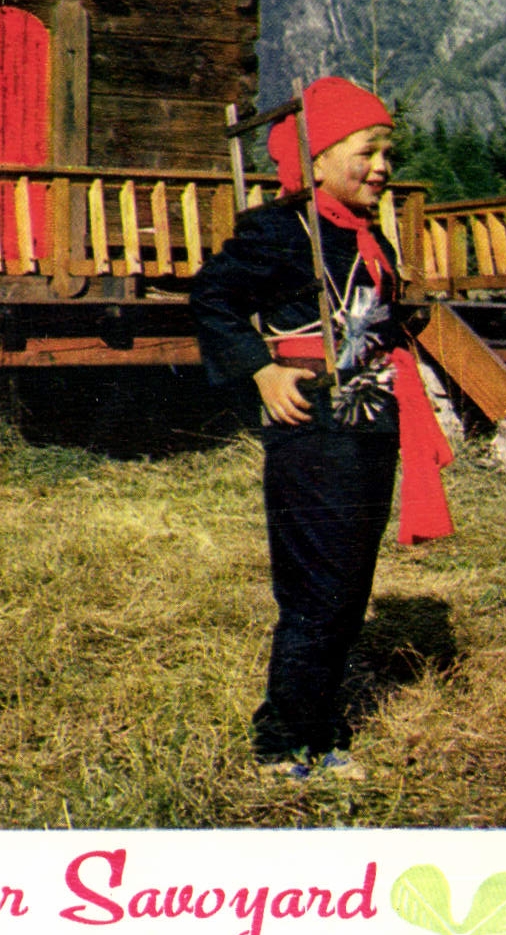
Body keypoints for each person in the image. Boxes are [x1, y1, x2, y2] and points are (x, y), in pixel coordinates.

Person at [189, 76, 453, 781]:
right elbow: (212, 298)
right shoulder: (279, 231)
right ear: (319, 157)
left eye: (387, 153)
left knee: (349, 586)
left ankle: (322, 730)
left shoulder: (366, 235)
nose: (382, 167)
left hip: (370, 422)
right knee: (316, 589)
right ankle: (282, 742)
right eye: (368, 152)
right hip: (311, 426)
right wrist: (261, 370)